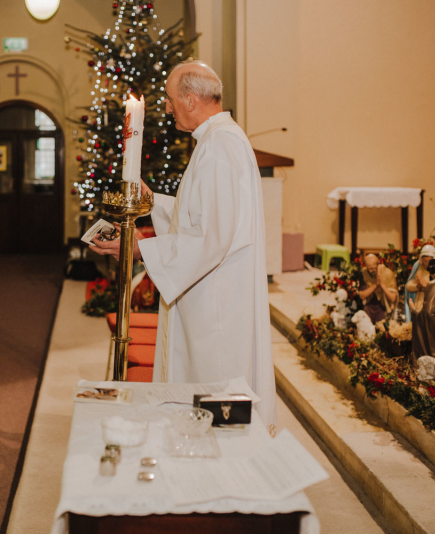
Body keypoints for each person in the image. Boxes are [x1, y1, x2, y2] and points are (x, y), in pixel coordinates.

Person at [89, 60, 277, 431]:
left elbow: (212, 236)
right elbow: (203, 214)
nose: (167, 107)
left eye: (170, 99)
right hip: (213, 294)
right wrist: (152, 202)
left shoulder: (220, 145)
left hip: (216, 306)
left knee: (213, 396)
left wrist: (143, 249)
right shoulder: (218, 140)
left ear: (191, 100)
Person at [359, 254, 398, 323]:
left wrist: (382, 285)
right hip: (370, 306)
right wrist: (375, 285)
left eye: (374, 268)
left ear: (378, 264)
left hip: (383, 307)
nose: (372, 271)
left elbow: (393, 298)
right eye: (369, 268)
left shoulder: (388, 273)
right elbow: (362, 295)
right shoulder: (364, 273)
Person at [404, 244, 435, 322]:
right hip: (419, 302)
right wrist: (418, 286)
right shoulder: (419, 269)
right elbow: (408, 286)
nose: (427, 263)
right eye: (425, 261)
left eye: (429, 261)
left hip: (432, 304)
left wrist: (424, 284)